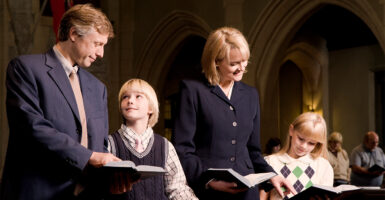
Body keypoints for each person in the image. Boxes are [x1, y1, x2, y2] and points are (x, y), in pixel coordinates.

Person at [0, 4, 132, 200]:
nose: (101, 53)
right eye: (97, 44)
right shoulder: (25, 69)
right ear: (73, 34)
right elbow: (32, 128)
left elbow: (100, 148)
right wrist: (89, 157)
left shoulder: (98, 88)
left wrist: (109, 181)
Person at [172, 26, 296, 200]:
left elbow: (253, 151)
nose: (242, 68)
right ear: (215, 61)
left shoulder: (251, 94)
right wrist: (209, 180)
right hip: (208, 191)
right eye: (234, 63)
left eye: (244, 61)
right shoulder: (192, 90)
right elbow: (183, 149)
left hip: (247, 191)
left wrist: (272, 175)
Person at [107, 79, 198, 200]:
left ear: (151, 108)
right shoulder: (109, 143)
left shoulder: (165, 146)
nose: (130, 101)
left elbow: (177, 187)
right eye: (125, 97)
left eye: (138, 96)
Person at [260, 112, 334, 200]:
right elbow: (262, 197)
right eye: (301, 139)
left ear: (318, 143)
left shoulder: (323, 166)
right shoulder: (270, 162)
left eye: (311, 143)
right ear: (291, 130)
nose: (304, 146)